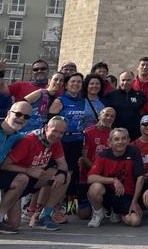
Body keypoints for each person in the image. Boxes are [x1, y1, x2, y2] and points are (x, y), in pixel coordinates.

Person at [0, 115, 70, 232]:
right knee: (13, 225)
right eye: (55, 131)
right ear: (47, 127)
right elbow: (4, 166)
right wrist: (28, 170)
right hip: (18, 182)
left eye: (61, 133)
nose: (57, 135)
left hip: (34, 180)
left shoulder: (54, 141)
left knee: (65, 176)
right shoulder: (29, 140)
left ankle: (44, 216)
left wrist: (62, 174)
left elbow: (63, 164)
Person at [86, 127, 144, 228]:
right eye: (116, 139)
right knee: (95, 188)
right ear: (109, 142)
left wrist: (134, 202)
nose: (120, 142)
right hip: (107, 193)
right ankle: (98, 213)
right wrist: (113, 180)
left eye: (123, 138)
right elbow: (90, 178)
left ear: (128, 140)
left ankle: (118, 212)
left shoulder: (134, 152)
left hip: (126, 194)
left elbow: (140, 177)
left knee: (135, 221)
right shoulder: (103, 155)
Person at [48, 72, 87, 205]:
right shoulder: (60, 100)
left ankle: (61, 203)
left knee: (70, 173)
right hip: (61, 142)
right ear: (66, 85)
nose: (76, 84)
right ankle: (47, 205)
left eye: (79, 82)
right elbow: (50, 122)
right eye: (73, 82)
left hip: (76, 142)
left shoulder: (82, 101)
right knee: (58, 172)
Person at [76, 106, 117, 220]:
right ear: (99, 116)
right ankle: (95, 204)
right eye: (106, 115)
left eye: (112, 116)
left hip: (109, 177)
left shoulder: (115, 135)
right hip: (89, 176)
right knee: (83, 215)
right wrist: (97, 172)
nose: (109, 118)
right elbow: (83, 158)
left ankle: (106, 206)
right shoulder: (88, 133)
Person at [103, 71, 148, 140]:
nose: (125, 82)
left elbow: (144, 112)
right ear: (120, 81)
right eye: (123, 80)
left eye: (128, 80)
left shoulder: (140, 95)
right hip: (116, 135)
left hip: (135, 135)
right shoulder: (111, 95)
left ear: (133, 81)